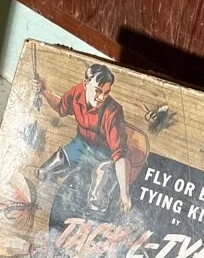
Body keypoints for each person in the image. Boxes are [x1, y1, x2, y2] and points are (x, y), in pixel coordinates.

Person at [33, 63, 132, 213]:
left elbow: (120, 155)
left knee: (96, 202)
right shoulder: (77, 93)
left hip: (105, 155)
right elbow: (61, 107)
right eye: (98, 91)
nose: (101, 97)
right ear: (86, 84)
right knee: (44, 173)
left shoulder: (113, 112)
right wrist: (43, 91)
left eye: (106, 93)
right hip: (81, 145)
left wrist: (125, 194)